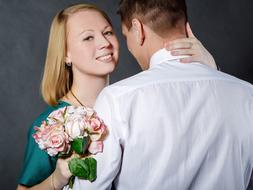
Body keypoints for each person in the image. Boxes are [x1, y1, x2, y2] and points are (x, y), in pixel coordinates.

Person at [17, 3, 218, 190]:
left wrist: (211, 69)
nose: (104, 42)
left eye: (108, 33)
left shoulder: (135, 102)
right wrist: (56, 180)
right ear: (66, 54)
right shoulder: (50, 126)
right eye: (88, 37)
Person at [72, 0, 253, 190]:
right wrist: (216, 72)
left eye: (126, 36)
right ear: (185, 25)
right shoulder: (246, 94)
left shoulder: (117, 99)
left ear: (138, 29)